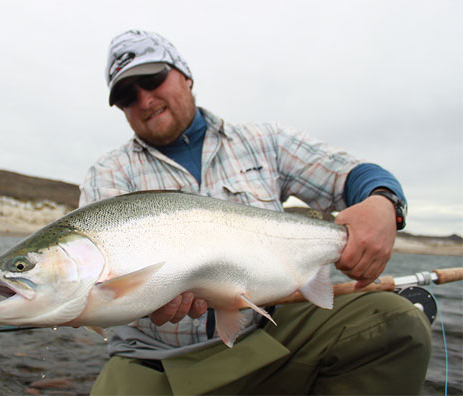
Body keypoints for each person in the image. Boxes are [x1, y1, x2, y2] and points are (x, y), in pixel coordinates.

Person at [80, 30, 431, 395]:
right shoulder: (108, 174)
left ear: (184, 74)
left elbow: (350, 174)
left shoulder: (265, 142)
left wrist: (383, 202)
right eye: (125, 96)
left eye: (152, 79)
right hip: (156, 358)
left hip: (271, 331)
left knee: (396, 323)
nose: (144, 99)